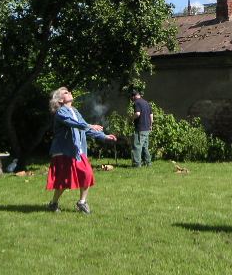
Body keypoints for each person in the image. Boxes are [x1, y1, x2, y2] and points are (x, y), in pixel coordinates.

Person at [46, 86, 116, 214]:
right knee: (64, 180)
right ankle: (53, 203)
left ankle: (82, 203)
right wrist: (90, 125)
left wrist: (104, 136)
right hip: (64, 151)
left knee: (87, 174)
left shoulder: (75, 111)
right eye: (66, 93)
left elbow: (86, 129)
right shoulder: (61, 112)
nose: (70, 93)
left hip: (78, 151)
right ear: (60, 100)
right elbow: (75, 124)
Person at [130, 90, 153, 167]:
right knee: (144, 147)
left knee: (137, 146)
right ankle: (148, 163)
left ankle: (136, 164)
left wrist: (131, 118)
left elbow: (137, 113)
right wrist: (151, 125)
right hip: (147, 128)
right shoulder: (146, 103)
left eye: (132, 97)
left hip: (140, 128)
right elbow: (151, 115)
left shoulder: (136, 102)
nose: (132, 99)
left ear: (134, 96)